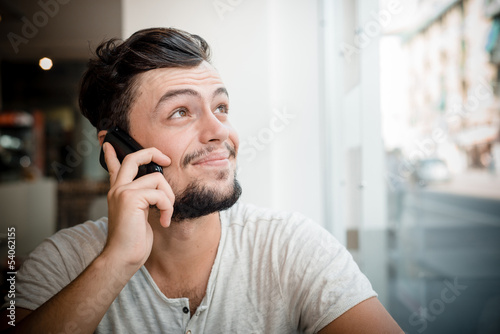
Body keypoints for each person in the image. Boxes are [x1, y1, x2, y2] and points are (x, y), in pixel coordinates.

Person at [1, 27, 402, 333]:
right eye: (181, 112)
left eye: (221, 107)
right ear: (118, 148)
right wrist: (116, 262)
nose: (219, 131)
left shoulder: (291, 247)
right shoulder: (61, 262)